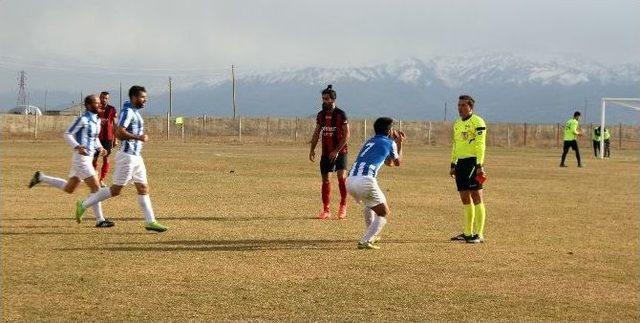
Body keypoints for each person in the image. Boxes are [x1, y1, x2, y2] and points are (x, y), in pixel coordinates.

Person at [75, 85, 168, 232]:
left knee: (143, 188)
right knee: (116, 190)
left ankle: (150, 222)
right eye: (142, 97)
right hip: (127, 157)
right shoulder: (128, 112)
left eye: (145, 97)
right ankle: (83, 205)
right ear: (133, 97)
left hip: (137, 157)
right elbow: (119, 132)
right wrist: (139, 137)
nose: (145, 100)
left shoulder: (135, 112)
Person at [28, 95, 115, 228]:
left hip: (87, 158)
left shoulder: (96, 120)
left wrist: (100, 147)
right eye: (96, 103)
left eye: (99, 103)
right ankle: (100, 220)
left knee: (69, 188)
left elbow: (94, 137)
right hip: (81, 159)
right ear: (88, 106)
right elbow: (67, 134)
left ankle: (41, 177)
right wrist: (77, 146)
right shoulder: (83, 119)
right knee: (96, 188)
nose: (99, 105)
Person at [346, 117, 404, 250]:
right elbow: (397, 162)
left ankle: (371, 234)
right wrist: (400, 143)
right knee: (383, 212)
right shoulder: (390, 143)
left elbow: (388, 163)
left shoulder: (370, 141)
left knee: (370, 204)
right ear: (389, 131)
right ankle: (366, 240)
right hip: (365, 180)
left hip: (350, 180)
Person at [309, 85, 350, 220]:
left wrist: (336, 150)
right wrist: (312, 149)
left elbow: (346, 135)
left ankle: (343, 205)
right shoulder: (321, 115)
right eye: (322, 98)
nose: (323, 101)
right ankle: (326, 210)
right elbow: (316, 133)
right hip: (326, 152)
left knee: (341, 177)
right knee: (326, 180)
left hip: (341, 150)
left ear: (333, 100)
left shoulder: (341, 114)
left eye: (326, 99)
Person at [449, 95, 487, 244]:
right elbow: (455, 144)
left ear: (471, 107)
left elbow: (480, 144)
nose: (460, 108)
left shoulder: (478, 122)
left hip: (473, 162)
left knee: (476, 196)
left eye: (463, 105)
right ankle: (467, 232)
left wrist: (479, 165)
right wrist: (453, 163)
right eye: (459, 105)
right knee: (465, 198)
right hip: (461, 164)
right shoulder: (457, 123)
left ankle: (479, 234)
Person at [92, 91, 117, 187]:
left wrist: (115, 139)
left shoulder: (112, 109)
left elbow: (114, 124)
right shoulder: (95, 108)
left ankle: (101, 179)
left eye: (106, 98)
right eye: (102, 97)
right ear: (100, 97)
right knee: (94, 159)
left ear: (108, 99)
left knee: (106, 158)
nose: (104, 99)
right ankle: (94, 178)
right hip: (96, 138)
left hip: (108, 138)